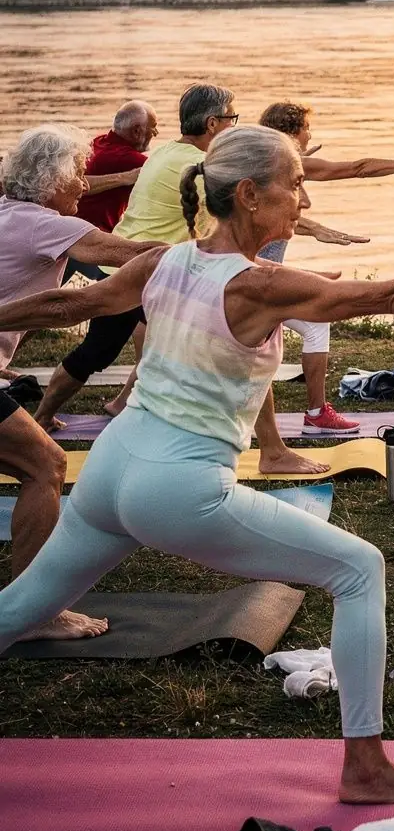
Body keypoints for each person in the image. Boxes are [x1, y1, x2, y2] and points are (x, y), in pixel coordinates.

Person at [0, 124, 394, 800]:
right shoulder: (260, 283)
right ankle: (367, 768)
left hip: (109, 469)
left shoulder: (166, 261)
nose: (303, 201)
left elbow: (68, 302)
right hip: (178, 486)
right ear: (248, 194)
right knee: (359, 569)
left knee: (15, 612)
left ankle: (367, 764)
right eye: (294, 186)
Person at [0, 125, 163, 639]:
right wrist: (218, 254)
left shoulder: (8, 213)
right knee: (45, 464)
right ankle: (34, 612)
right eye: (77, 176)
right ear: (50, 182)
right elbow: (125, 253)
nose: (83, 185)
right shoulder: (41, 223)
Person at [33, 83, 240, 433]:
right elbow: (242, 206)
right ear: (211, 124)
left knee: (183, 342)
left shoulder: (164, 153)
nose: (234, 125)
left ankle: (130, 406)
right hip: (133, 269)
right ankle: (42, 416)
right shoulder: (194, 165)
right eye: (232, 118)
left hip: (152, 267)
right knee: (99, 351)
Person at [257, 100, 394, 434]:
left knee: (307, 329)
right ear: (293, 132)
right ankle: (308, 414)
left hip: (261, 275)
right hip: (255, 278)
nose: (310, 135)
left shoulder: (268, 161)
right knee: (255, 352)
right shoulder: (277, 166)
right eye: (306, 129)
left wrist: (312, 224)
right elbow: (358, 167)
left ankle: (315, 411)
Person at [64, 100, 158, 284]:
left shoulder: (97, 143)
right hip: (89, 244)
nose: (155, 133)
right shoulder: (131, 160)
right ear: (137, 131)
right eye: (153, 128)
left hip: (72, 235)